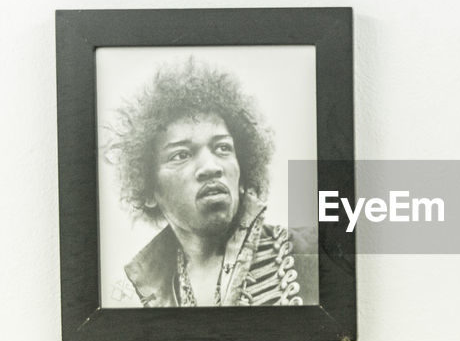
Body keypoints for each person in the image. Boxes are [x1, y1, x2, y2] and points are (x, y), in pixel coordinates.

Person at [104, 58, 317, 307]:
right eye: (181, 154)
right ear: (149, 189)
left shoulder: (312, 254)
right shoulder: (130, 299)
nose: (211, 167)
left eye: (223, 148)